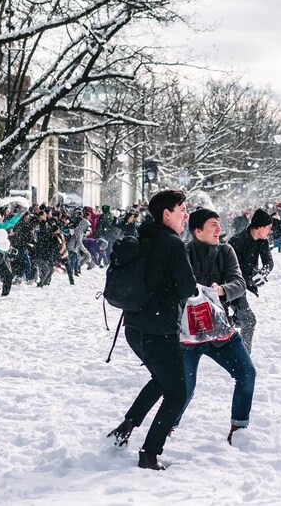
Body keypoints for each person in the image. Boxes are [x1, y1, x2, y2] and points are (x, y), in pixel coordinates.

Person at [107, 190, 197, 471]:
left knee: (161, 380)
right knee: (178, 392)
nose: (186, 214)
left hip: (134, 327)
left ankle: (126, 426)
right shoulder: (172, 243)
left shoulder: (144, 236)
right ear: (166, 213)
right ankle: (149, 454)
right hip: (159, 329)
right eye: (182, 209)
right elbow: (187, 288)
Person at [171, 208, 255, 445]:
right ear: (197, 231)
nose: (219, 229)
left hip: (220, 330)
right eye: (213, 225)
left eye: (219, 224)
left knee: (247, 373)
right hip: (188, 335)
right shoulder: (183, 252)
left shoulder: (226, 251)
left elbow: (239, 283)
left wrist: (221, 290)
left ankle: (238, 429)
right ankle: (168, 426)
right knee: (185, 389)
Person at [227, 208, 274, 353]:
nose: (270, 231)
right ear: (259, 227)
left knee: (242, 319)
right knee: (249, 320)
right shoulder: (237, 241)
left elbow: (269, 263)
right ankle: (244, 355)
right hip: (230, 285)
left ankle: (227, 321)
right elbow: (230, 271)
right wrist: (249, 279)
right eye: (269, 228)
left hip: (244, 285)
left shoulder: (262, 241)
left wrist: (261, 273)